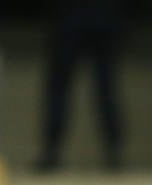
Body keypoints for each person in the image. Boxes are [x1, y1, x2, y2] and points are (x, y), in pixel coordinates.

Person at [36, 0, 125, 171]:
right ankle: (113, 151)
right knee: (101, 88)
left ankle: (113, 150)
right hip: (90, 16)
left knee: (102, 88)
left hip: (86, 17)